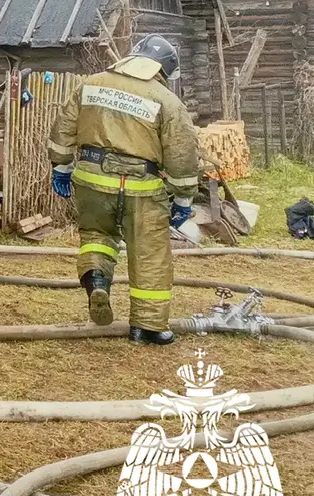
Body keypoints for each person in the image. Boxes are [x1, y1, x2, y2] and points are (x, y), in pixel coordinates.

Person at [46, 35, 201, 346]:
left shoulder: (91, 84)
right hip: (141, 187)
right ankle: (148, 328)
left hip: (91, 178)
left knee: (96, 236)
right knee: (149, 255)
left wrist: (61, 167)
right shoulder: (167, 101)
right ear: (164, 70)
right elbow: (182, 154)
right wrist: (183, 198)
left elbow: (64, 126)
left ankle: (97, 280)